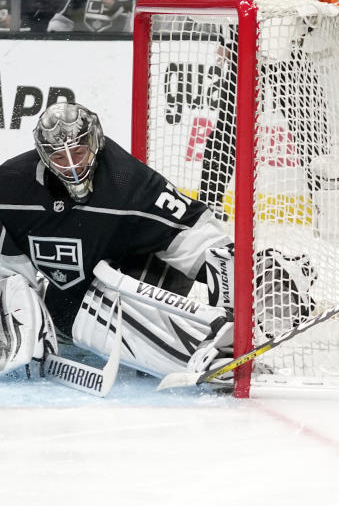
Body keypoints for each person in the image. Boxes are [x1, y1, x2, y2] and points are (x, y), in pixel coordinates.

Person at [0, 102, 235, 382]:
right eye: (60, 158)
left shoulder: (128, 180)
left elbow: (193, 234)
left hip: (141, 272)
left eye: (78, 152)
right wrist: (21, 314)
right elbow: (9, 270)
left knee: (106, 297)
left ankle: (204, 353)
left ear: (95, 142)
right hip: (71, 294)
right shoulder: (11, 184)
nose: (72, 166)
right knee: (60, 308)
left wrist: (239, 286)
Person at [202, 0, 339, 218]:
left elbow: (327, 10)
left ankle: (322, 203)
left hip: (294, 59)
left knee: (311, 128)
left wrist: (320, 42)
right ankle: (209, 202)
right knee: (230, 127)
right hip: (251, 52)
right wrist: (230, 40)